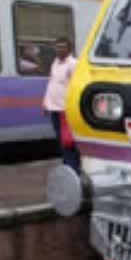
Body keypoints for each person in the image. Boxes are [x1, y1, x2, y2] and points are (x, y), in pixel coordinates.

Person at [42, 37, 80, 173]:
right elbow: (51, 83)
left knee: (68, 141)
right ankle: (67, 166)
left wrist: (70, 107)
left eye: (62, 47)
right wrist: (45, 103)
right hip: (54, 108)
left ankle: (73, 168)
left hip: (65, 109)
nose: (59, 49)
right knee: (61, 140)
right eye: (57, 47)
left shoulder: (73, 64)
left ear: (69, 49)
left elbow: (76, 86)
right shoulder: (55, 63)